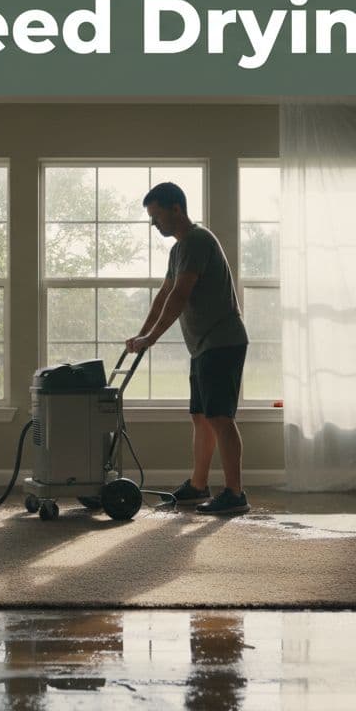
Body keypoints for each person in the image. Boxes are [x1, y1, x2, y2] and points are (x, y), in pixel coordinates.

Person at [126, 182, 250, 515]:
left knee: (220, 417)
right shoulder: (178, 250)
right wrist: (140, 336)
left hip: (222, 341)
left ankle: (235, 493)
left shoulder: (197, 240)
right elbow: (164, 295)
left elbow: (180, 295)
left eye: (156, 216)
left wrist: (152, 338)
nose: (154, 224)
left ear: (176, 209)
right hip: (203, 346)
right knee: (201, 416)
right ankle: (198, 486)